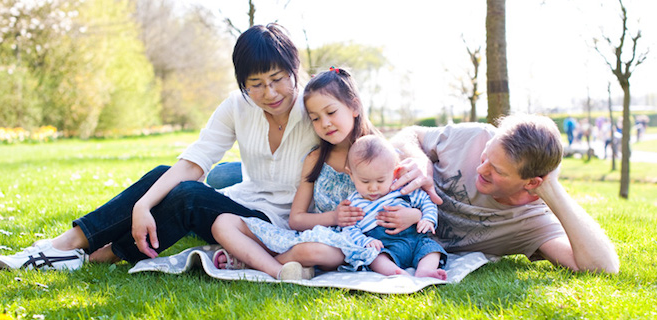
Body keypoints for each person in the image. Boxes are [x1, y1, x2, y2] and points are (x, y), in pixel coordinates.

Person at [0, 23, 321, 271]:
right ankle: (67, 245)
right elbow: (195, 161)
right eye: (256, 85)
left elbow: (361, 146)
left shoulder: (316, 107)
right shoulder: (238, 106)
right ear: (242, 83)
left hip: (282, 224)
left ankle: (99, 254)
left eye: (278, 79)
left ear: (295, 70)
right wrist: (142, 206)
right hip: (245, 205)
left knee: (188, 197)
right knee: (168, 176)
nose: (270, 93)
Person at [212, 67, 422, 279]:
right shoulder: (315, 159)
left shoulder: (383, 156)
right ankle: (282, 269)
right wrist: (334, 217)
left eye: (331, 113)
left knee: (311, 250)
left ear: (354, 107)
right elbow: (297, 219)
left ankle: (255, 265)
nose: (325, 124)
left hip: (348, 246)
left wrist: (415, 215)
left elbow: (416, 200)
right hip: (317, 235)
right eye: (315, 118)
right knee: (223, 222)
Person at [387, 114, 620, 274]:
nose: (481, 169)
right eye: (486, 155)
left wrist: (553, 189)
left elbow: (603, 267)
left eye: (496, 170)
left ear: (532, 183)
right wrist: (420, 159)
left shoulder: (532, 221)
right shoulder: (475, 136)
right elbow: (407, 135)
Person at [342, 135, 447, 279]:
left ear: (394, 172)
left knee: (432, 249)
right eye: (365, 181)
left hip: (416, 239)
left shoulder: (401, 189)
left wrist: (428, 219)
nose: (373, 188)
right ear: (352, 175)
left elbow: (426, 201)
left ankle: (425, 270)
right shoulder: (354, 203)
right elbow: (349, 229)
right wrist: (366, 241)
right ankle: (395, 273)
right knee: (374, 257)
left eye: (380, 180)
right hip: (385, 246)